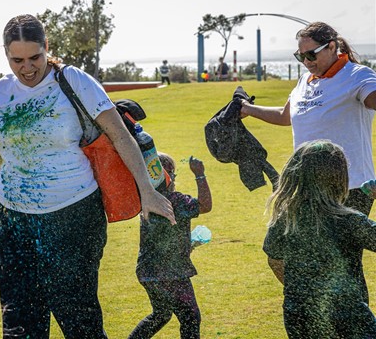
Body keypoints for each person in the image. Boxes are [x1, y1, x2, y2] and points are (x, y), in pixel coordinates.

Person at [0, 14, 175, 339]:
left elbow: (120, 136)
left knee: (80, 325)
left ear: (46, 47)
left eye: (34, 57)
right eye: (16, 60)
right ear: (5, 55)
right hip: (13, 224)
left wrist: (147, 190)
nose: (27, 68)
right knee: (21, 330)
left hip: (73, 218)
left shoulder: (74, 81)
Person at [240, 21, 376, 301]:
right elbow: (284, 116)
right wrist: (247, 109)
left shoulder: (357, 76)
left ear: (332, 47)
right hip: (305, 189)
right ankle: (320, 313)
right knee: (303, 256)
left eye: (311, 55)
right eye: (300, 56)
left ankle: (357, 324)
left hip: (348, 188)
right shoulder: (305, 81)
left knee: (344, 261)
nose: (306, 61)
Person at [263, 140, 376, 338]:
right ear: (340, 178)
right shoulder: (349, 221)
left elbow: (274, 260)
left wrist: (303, 290)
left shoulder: (286, 219)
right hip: (348, 315)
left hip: (298, 313)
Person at [129, 153, 212, 339]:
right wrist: (200, 174)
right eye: (171, 172)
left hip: (148, 271)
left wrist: (185, 244)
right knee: (190, 317)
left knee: (161, 314)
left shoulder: (146, 198)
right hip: (170, 273)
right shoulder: (175, 200)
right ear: (167, 176)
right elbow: (205, 205)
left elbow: (162, 235)